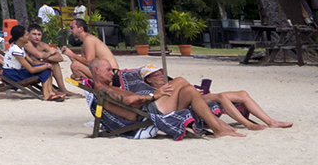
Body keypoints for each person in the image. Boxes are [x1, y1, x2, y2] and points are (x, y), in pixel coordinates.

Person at [87, 58, 243, 139]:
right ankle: (217, 127)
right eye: (108, 70)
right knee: (180, 80)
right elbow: (129, 101)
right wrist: (155, 95)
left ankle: (217, 126)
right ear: (97, 71)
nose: (112, 73)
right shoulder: (103, 90)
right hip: (147, 113)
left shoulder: (107, 87)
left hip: (151, 108)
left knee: (188, 90)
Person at [140, 70, 292, 129]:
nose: (160, 75)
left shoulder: (169, 83)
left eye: (160, 72)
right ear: (148, 80)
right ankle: (247, 124)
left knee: (243, 94)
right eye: (155, 75)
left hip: (195, 95)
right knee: (221, 97)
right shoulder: (152, 91)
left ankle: (271, 121)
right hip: (188, 101)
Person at [1, 24, 67, 100]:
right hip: (13, 75)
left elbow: (32, 62)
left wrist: (46, 65)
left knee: (47, 68)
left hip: (18, 72)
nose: (28, 36)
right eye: (26, 35)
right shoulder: (16, 51)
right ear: (21, 38)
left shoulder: (19, 47)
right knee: (46, 69)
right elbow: (31, 70)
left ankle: (51, 93)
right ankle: (46, 95)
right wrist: (47, 66)